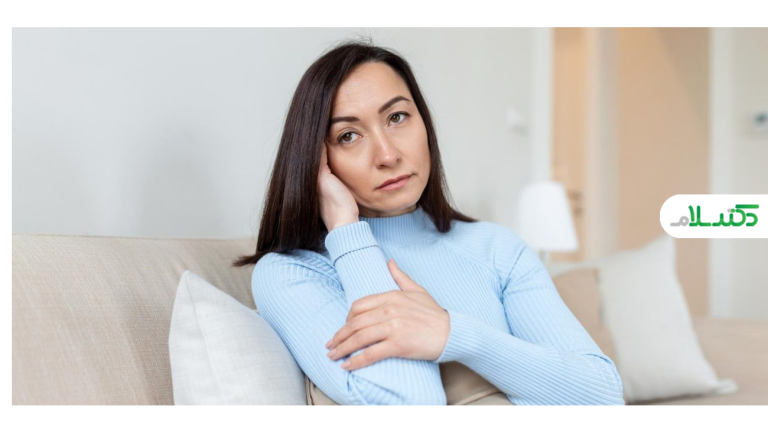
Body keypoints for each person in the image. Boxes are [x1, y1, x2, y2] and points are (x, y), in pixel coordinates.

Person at [233, 37, 625, 406]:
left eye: (397, 117)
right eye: (349, 136)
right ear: (317, 162)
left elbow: (604, 394)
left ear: (424, 123)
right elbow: (411, 399)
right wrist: (347, 233)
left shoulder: (496, 249)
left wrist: (453, 334)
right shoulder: (292, 274)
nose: (388, 155)